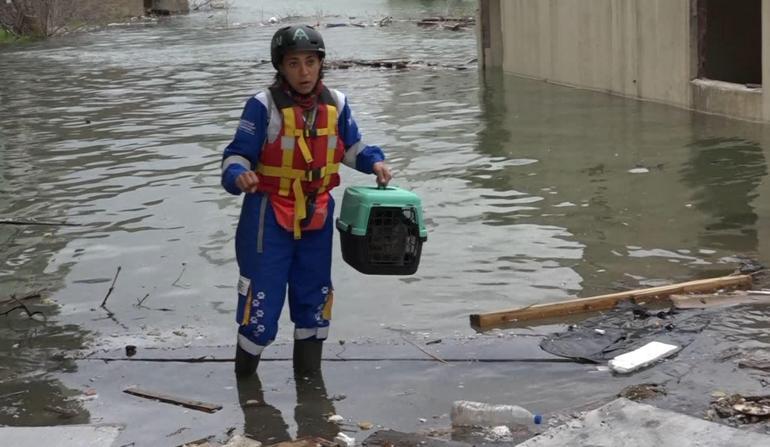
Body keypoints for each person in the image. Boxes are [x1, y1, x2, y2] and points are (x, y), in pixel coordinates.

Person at [221, 24, 392, 378]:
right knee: (261, 310)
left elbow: (353, 148)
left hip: (316, 214)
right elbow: (236, 156)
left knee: (314, 302)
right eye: (294, 63)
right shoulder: (261, 107)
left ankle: (310, 388)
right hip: (268, 216)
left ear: (321, 64)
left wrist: (374, 161)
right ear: (280, 67)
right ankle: (246, 388)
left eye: (310, 62)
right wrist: (239, 176)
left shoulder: (337, 103)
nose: (304, 72)